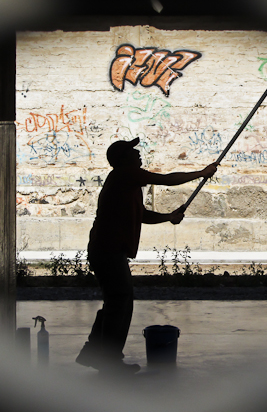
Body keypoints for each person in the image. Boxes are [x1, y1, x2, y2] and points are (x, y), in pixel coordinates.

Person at [75, 137, 217, 375]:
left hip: (106, 250)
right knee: (120, 302)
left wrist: (168, 216)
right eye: (133, 151)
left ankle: (94, 353)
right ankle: (107, 359)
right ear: (123, 159)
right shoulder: (125, 174)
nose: (139, 154)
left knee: (116, 302)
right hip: (107, 251)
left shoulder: (124, 182)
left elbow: (140, 214)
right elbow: (165, 180)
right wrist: (202, 173)